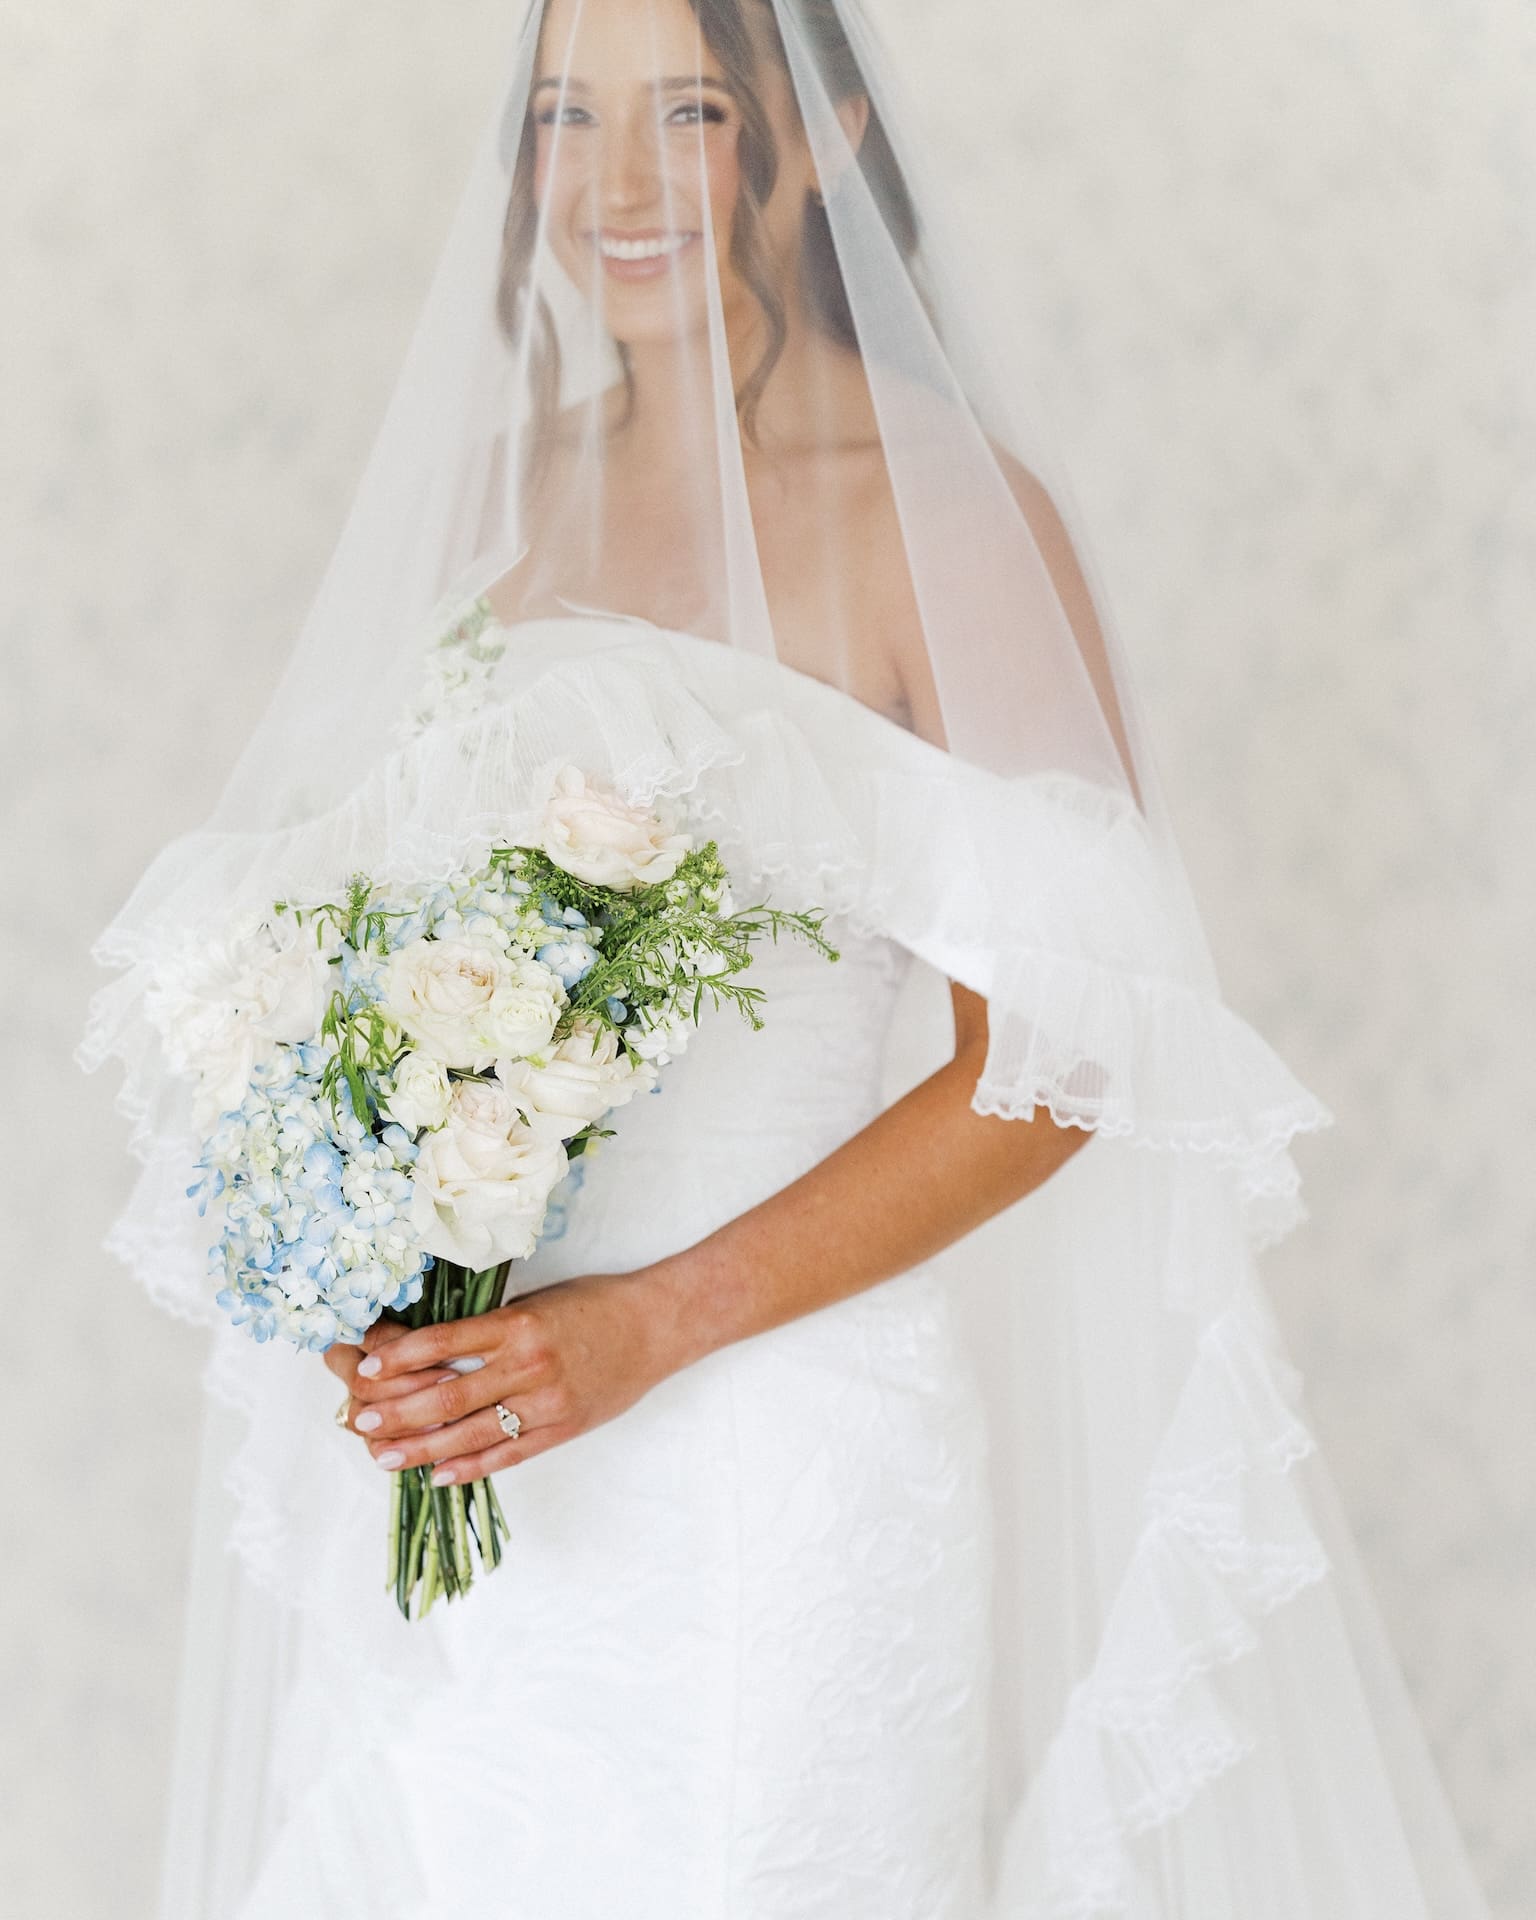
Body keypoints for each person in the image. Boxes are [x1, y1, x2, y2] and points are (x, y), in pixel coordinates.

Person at [79, 2, 1496, 1915]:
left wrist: (651, 1324)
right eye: (568, 117)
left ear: (813, 133)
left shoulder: (938, 517)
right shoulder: (500, 494)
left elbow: (1068, 1058)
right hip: (491, 1482)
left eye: (689, 113)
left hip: (770, 1484)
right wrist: (378, 1249)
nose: (618, 184)